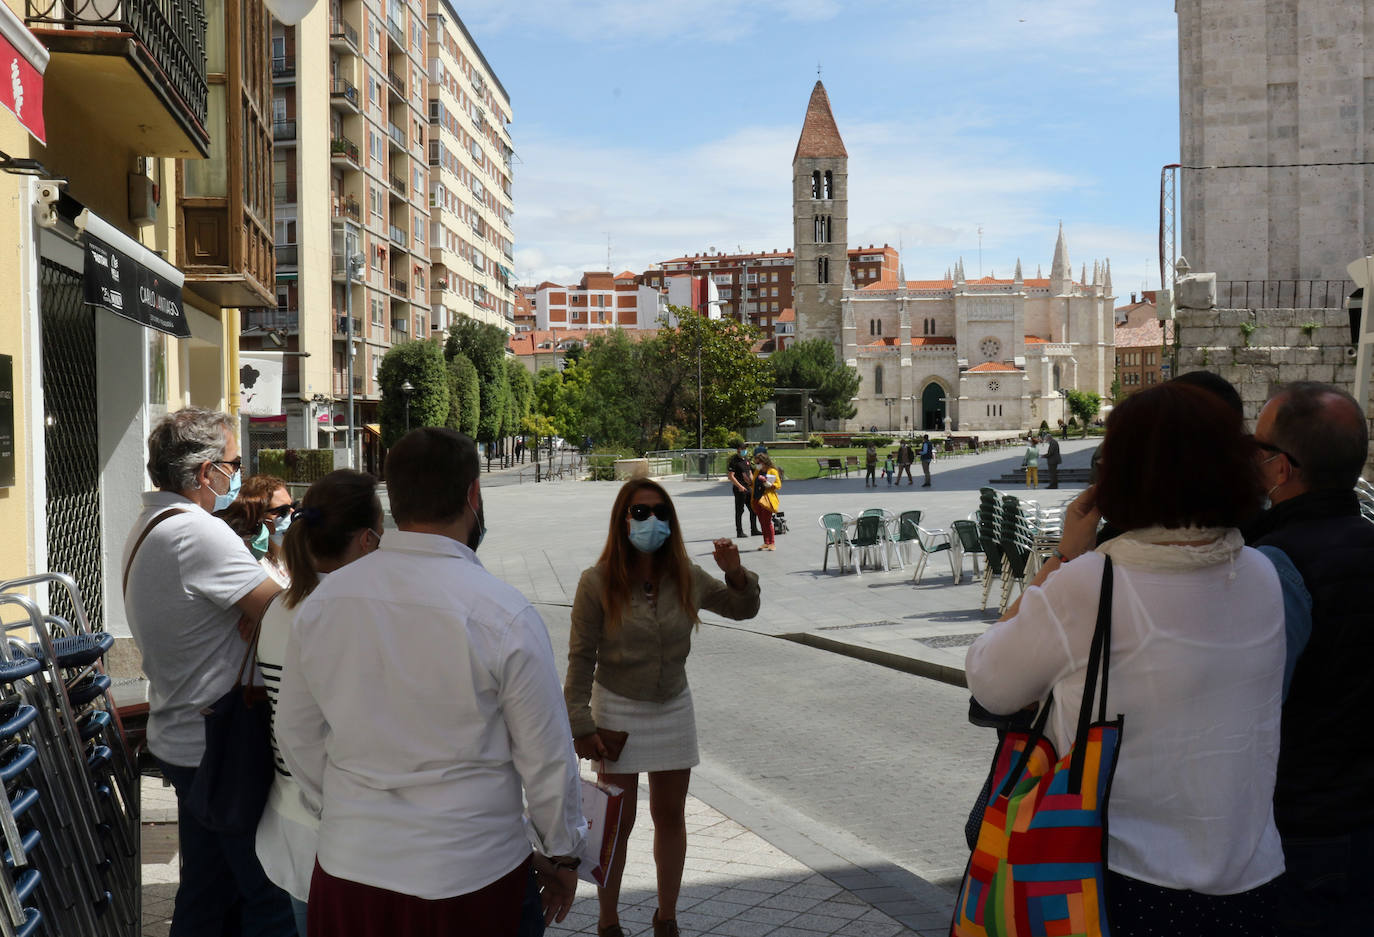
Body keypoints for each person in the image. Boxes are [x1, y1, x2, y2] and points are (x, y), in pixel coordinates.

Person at [966, 382, 1285, 934]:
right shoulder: (1261, 573)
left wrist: (1064, 558)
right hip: (1251, 877)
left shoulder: (1091, 584)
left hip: (1119, 878)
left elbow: (989, 680)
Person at [276, 428, 584, 937]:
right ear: (472, 495)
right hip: (470, 875)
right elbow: (546, 756)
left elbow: (296, 734)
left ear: (391, 499)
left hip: (352, 867)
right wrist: (563, 851)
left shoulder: (324, 606)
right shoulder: (502, 612)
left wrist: (349, 807)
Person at [122, 407, 294, 936]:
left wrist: (263, 613)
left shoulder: (153, 523)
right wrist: (268, 614)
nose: (239, 474)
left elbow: (270, 611)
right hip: (220, 746)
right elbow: (292, 616)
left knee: (207, 894)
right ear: (204, 473)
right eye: (234, 464)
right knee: (269, 899)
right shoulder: (199, 533)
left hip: (187, 739)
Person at [565, 479, 761, 937]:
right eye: (639, 513)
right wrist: (580, 723)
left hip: (673, 705)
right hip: (616, 705)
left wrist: (736, 574)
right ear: (622, 520)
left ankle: (666, 917)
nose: (650, 521)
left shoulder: (686, 575)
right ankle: (608, 920)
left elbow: (741, 609)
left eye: (659, 513)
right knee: (618, 820)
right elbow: (580, 658)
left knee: (670, 816)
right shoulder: (595, 582)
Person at [1247, 382, 1374, 935]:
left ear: (1280, 468)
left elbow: (1258, 705)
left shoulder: (1273, 567)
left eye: (1258, 447)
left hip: (1306, 829)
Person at [256, 470, 383, 936]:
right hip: (341, 826)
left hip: (291, 817)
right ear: (368, 540)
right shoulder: (349, 612)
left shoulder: (281, 606)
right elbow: (306, 729)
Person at [239, 474, 295, 586]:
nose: (292, 513)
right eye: (282, 511)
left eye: (293, 506)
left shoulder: (292, 558)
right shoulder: (250, 563)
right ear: (257, 516)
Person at [726, 442, 758, 538]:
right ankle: (739, 532)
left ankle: (754, 529)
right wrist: (739, 486)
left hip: (748, 488)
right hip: (739, 489)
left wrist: (753, 483)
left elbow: (750, 472)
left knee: (753, 509)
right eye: (742, 448)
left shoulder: (746, 460)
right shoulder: (734, 461)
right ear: (738, 449)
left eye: (745, 449)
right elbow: (730, 476)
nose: (744, 450)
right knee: (739, 511)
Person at [751, 453, 782, 551]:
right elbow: (754, 483)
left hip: (766, 498)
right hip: (757, 498)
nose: (757, 464)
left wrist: (767, 483)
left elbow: (778, 485)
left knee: (767, 521)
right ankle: (766, 542)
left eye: (758, 462)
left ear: (764, 462)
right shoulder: (757, 470)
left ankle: (772, 543)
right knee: (761, 521)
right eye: (756, 462)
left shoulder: (772, 470)